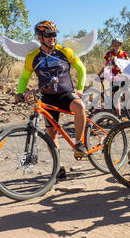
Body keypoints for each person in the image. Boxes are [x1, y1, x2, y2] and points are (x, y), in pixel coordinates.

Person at [15, 21, 87, 180]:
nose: (52, 38)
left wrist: (80, 88)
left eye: (54, 34)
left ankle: (79, 143)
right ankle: (59, 167)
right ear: (40, 37)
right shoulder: (32, 57)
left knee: (80, 107)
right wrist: (20, 92)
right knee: (51, 133)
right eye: (48, 35)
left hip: (66, 94)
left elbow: (81, 69)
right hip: (47, 98)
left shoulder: (65, 51)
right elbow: (25, 77)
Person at [104, 38, 130, 117]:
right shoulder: (109, 54)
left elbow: (129, 62)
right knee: (115, 95)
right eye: (115, 44)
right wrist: (101, 73)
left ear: (120, 45)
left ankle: (129, 113)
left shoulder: (123, 53)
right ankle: (118, 114)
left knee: (123, 93)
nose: (117, 46)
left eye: (118, 44)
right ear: (112, 45)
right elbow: (106, 65)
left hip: (123, 75)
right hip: (114, 76)